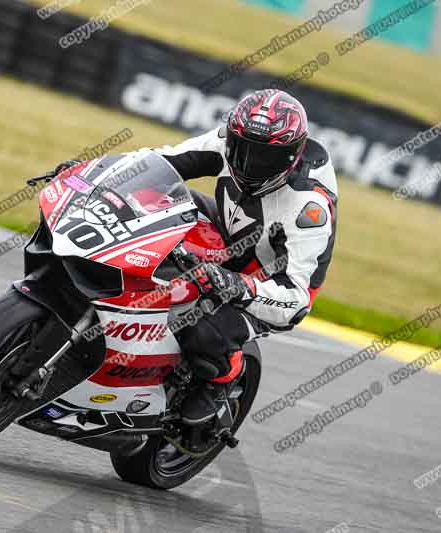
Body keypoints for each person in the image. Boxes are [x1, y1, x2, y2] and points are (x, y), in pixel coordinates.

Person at [51, 89, 338, 426]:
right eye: (242, 150)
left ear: (290, 157)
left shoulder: (308, 209)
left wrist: (236, 285)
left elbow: (296, 298)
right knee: (150, 204)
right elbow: (158, 163)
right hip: (230, 227)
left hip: (269, 280)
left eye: (265, 158)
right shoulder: (229, 141)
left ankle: (220, 381)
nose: (249, 163)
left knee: (203, 329)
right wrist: (94, 174)